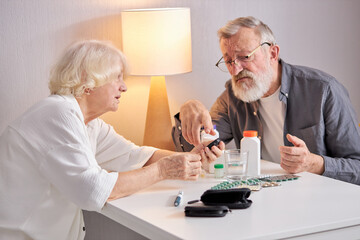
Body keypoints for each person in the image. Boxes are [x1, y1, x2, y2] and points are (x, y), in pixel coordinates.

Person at [0, 40, 225, 240]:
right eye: (117, 77)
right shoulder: (57, 114)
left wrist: (192, 158)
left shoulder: (87, 123)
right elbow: (93, 191)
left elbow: (135, 156)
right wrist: (162, 171)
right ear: (87, 81)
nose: (124, 87)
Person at [173, 16, 360, 185]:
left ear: (272, 53)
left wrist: (314, 163)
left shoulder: (324, 90)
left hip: (320, 202)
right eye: (228, 61)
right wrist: (189, 112)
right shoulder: (233, 95)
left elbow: (357, 167)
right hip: (260, 199)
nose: (235, 70)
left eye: (244, 57)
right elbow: (200, 144)